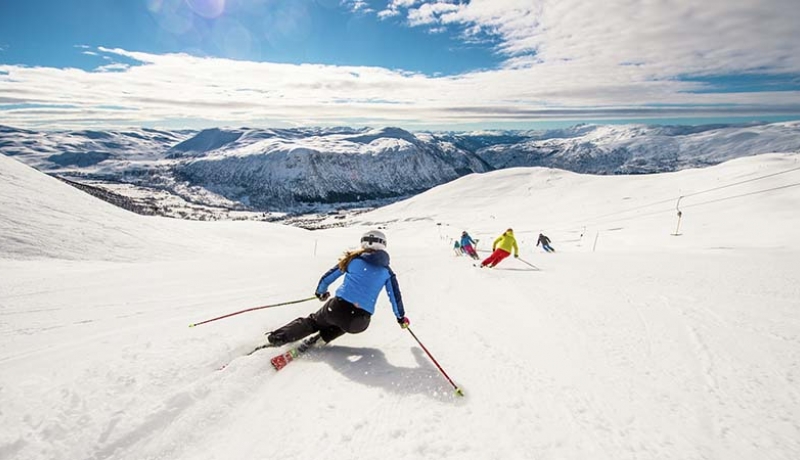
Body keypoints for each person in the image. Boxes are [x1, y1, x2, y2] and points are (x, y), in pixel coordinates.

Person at [266, 229, 409, 346]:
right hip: (360, 322)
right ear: (383, 245)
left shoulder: (352, 261)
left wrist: (321, 293)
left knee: (314, 321)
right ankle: (319, 340)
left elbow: (327, 278)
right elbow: (395, 299)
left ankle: (277, 338)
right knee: (343, 324)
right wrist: (401, 318)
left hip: (337, 308)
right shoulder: (387, 272)